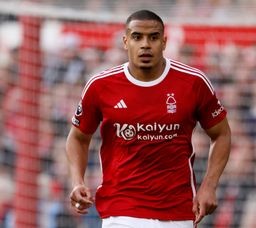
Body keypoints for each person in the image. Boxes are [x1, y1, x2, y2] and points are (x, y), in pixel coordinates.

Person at [66, 9, 231, 228]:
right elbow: (78, 137)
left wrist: (209, 185)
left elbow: (221, 134)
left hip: (178, 211)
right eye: (137, 37)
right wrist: (77, 181)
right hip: (121, 211)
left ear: (164, 42)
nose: (145, 44)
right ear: (126, 42)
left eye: (153, 37)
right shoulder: (100, 86)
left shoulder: (193, 83)